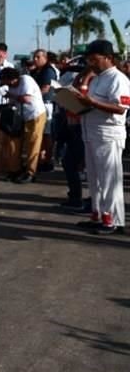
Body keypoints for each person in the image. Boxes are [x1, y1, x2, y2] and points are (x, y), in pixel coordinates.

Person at [72, 39, 130, 235]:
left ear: (108, 58)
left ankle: (113, 220)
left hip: (108, 134)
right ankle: (98, 215)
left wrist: (92, 102)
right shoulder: (97, 78)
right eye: (88, 59)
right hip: (91, 132)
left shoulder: (118, 79)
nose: (91, 63)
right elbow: (86, 97)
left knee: (109, 179)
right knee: (95, 179)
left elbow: (121, 108)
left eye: (94, 59)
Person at [0, 66, 46, 184]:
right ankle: (15, 169)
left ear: (14, 78)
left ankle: (31, 172)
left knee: (32, 143)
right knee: (14, 142)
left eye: (8, 82)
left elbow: (27, 98)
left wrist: (12, 96)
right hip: (21, 116)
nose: (8, 85)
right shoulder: (11, 86)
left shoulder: (26, 80)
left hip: (35, 114)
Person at [61, 61, 92, 212]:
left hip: (84, 126)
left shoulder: (94, 80)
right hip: (74, 124)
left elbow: (84, 99)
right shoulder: (83, 77)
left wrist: (85, 79)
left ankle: (78, 199)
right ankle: (75, 196)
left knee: (73, 162)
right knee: (69, 162)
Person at [32, 49, 59, 171]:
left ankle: (48, 159)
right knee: (41, 134)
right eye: (34, 57)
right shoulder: (37, 71)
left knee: (47, 134)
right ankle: (41, 158)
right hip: (38, 104)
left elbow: (46, 88)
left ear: (45, 58)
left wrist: (33, 96)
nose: (35, 59)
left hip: (46, 104)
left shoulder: (48, 71)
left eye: (38, 57)